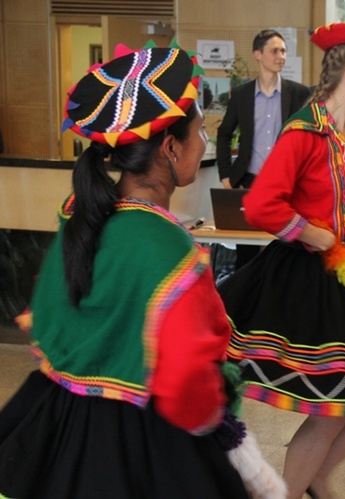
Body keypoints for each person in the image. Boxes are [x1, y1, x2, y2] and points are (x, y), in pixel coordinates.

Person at [0, 42, 283, 498]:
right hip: (135, 441)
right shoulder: (168, 246)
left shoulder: (81, 212)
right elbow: (186, 382)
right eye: (199, 133)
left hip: (57, 421)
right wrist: (229, 440)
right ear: (170, 148)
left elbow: (44, 319)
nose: (206, 141)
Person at [217, 22, 345, 499]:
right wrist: (310, 231)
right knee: (331, 408)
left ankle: (313, 478)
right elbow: (261, 204)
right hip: (307, 280)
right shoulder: (304, 133)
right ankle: (294, 490)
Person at [216, 29, 311, 269]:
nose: (281, 56)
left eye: (284, 51)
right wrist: (226, 175)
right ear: (257, 54)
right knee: (246, 253)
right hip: (247, 181)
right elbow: (224, 133)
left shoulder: (299, 93)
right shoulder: (241, 95)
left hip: (287, 185)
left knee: (286, 249)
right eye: (275, 51)